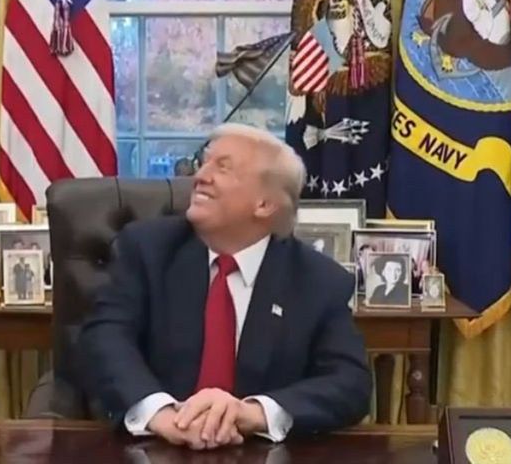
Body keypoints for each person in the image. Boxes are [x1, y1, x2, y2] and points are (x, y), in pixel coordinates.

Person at [76, 123, 371, 450]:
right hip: (152, 448)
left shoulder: (319, 281)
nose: (201, 175)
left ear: (264, 205)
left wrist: (252, 413)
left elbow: (350, 384)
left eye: (223, 167)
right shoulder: (147, 249)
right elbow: (104, 338)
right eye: (204, 162)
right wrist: (161, 414)